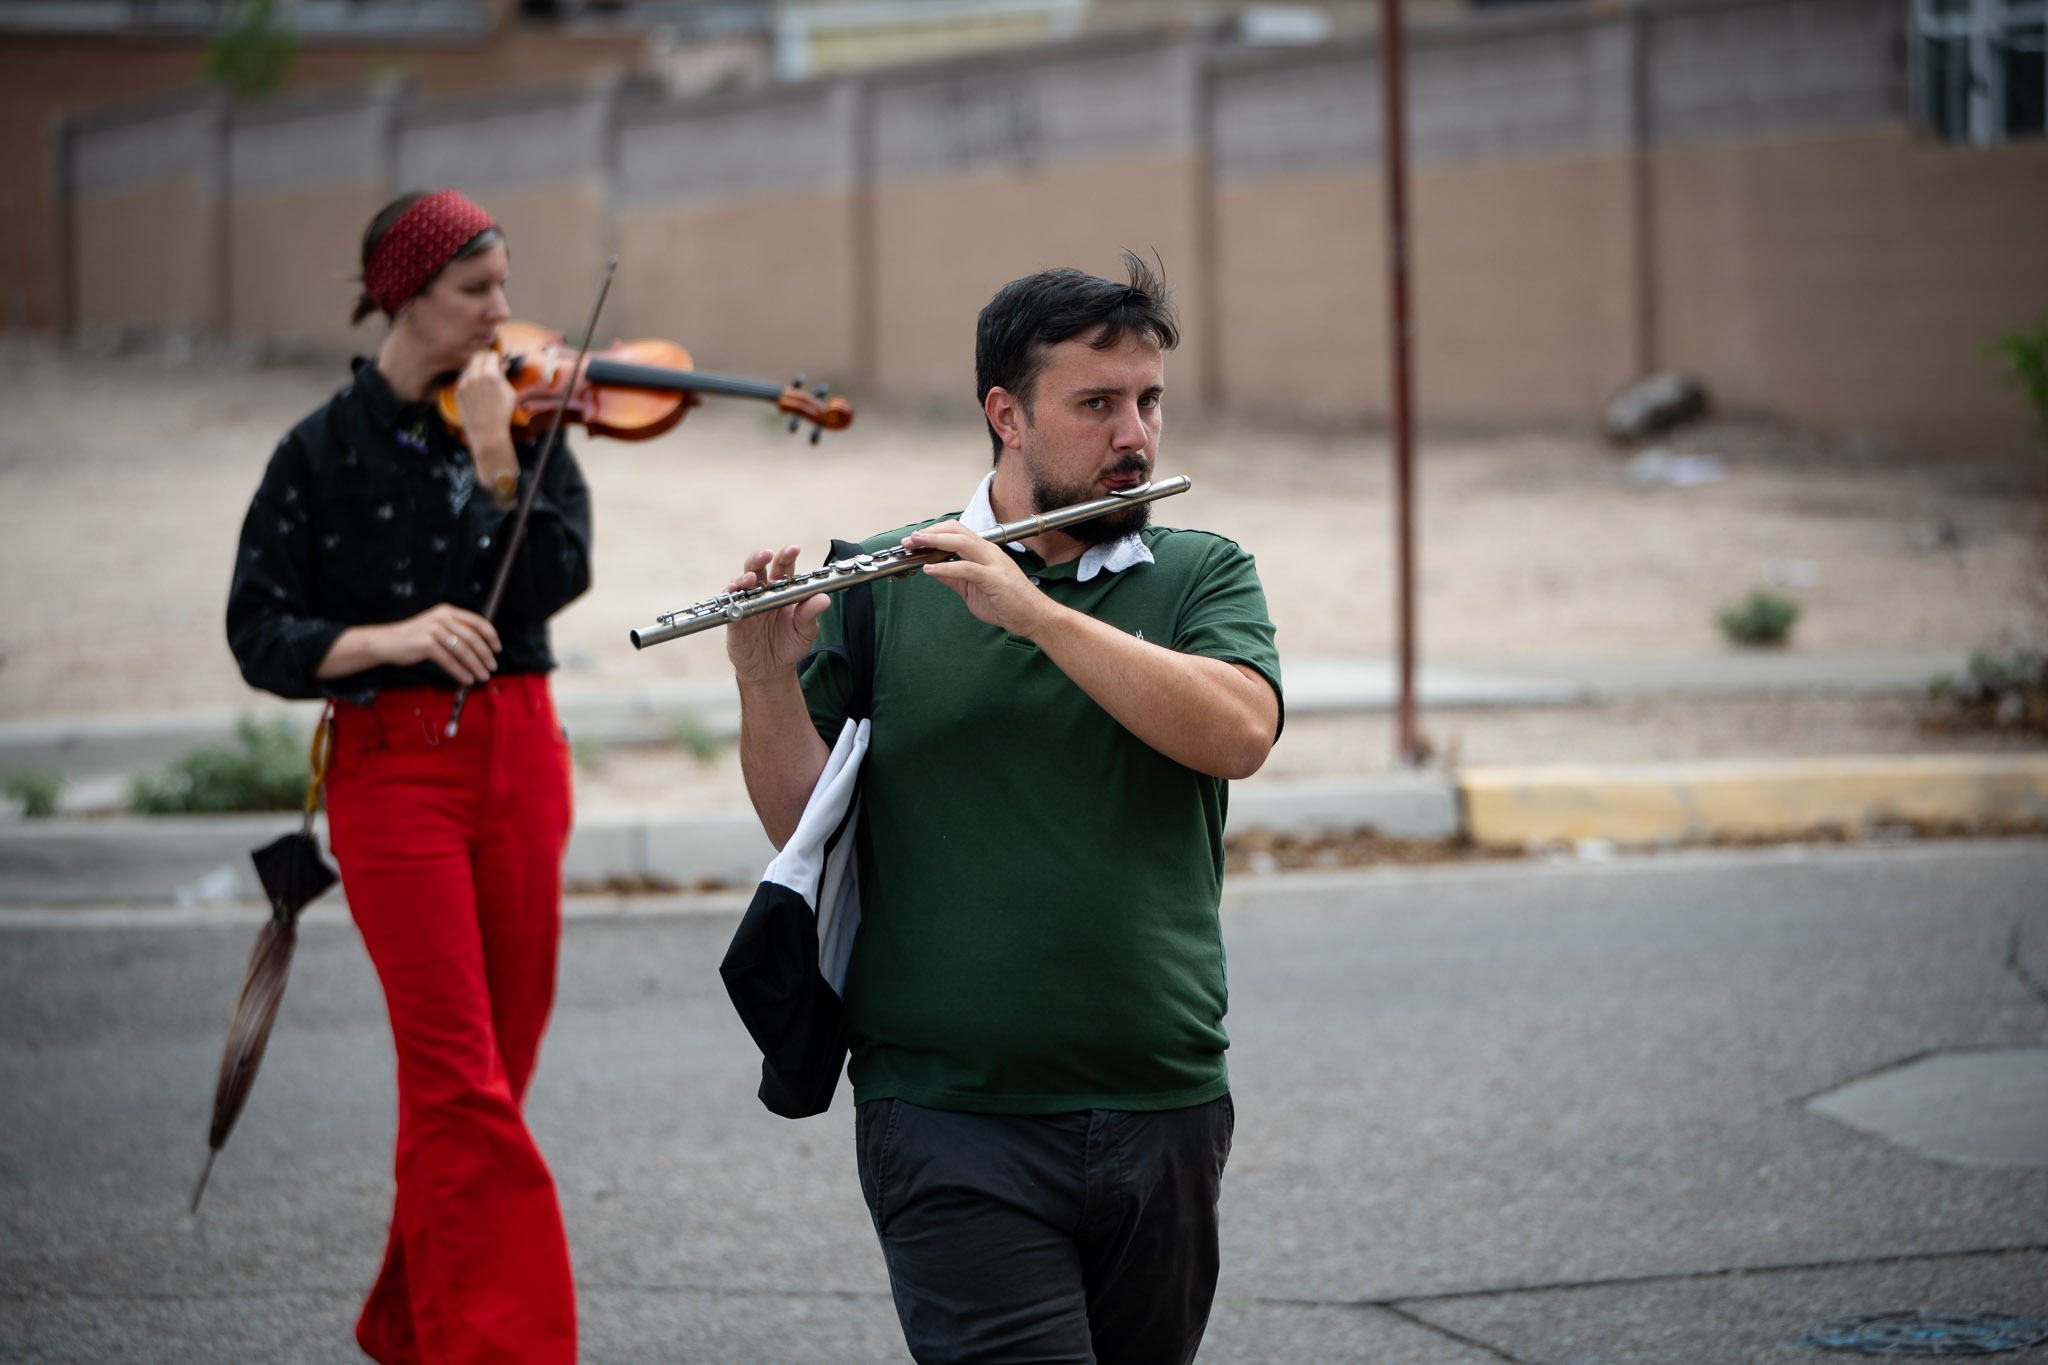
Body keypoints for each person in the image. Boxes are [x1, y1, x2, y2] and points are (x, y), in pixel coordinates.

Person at [725, 253, 1282, 1365]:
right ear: (1006, 415)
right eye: (1096, 404)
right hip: (946, 1112)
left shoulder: (1201, 572)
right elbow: (800, 824)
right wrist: (764, 681)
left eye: (1149, 402)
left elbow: (1238, 734)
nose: (1134, 435)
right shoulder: (883, 586)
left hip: (1164, 1098)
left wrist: (1037, 614)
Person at [225, 188, 590, 1365]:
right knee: (456, 1079)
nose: (500, 309)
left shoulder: (523, 421)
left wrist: (493, 452)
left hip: (520, 748)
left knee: (497, 1073)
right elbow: (258, 631)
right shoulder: (316, 452)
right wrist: (386, 638)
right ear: (403, 293)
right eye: (474, 288)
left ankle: (407, 1323)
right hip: (391, 771)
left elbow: (558, 576)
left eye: (503, 283)